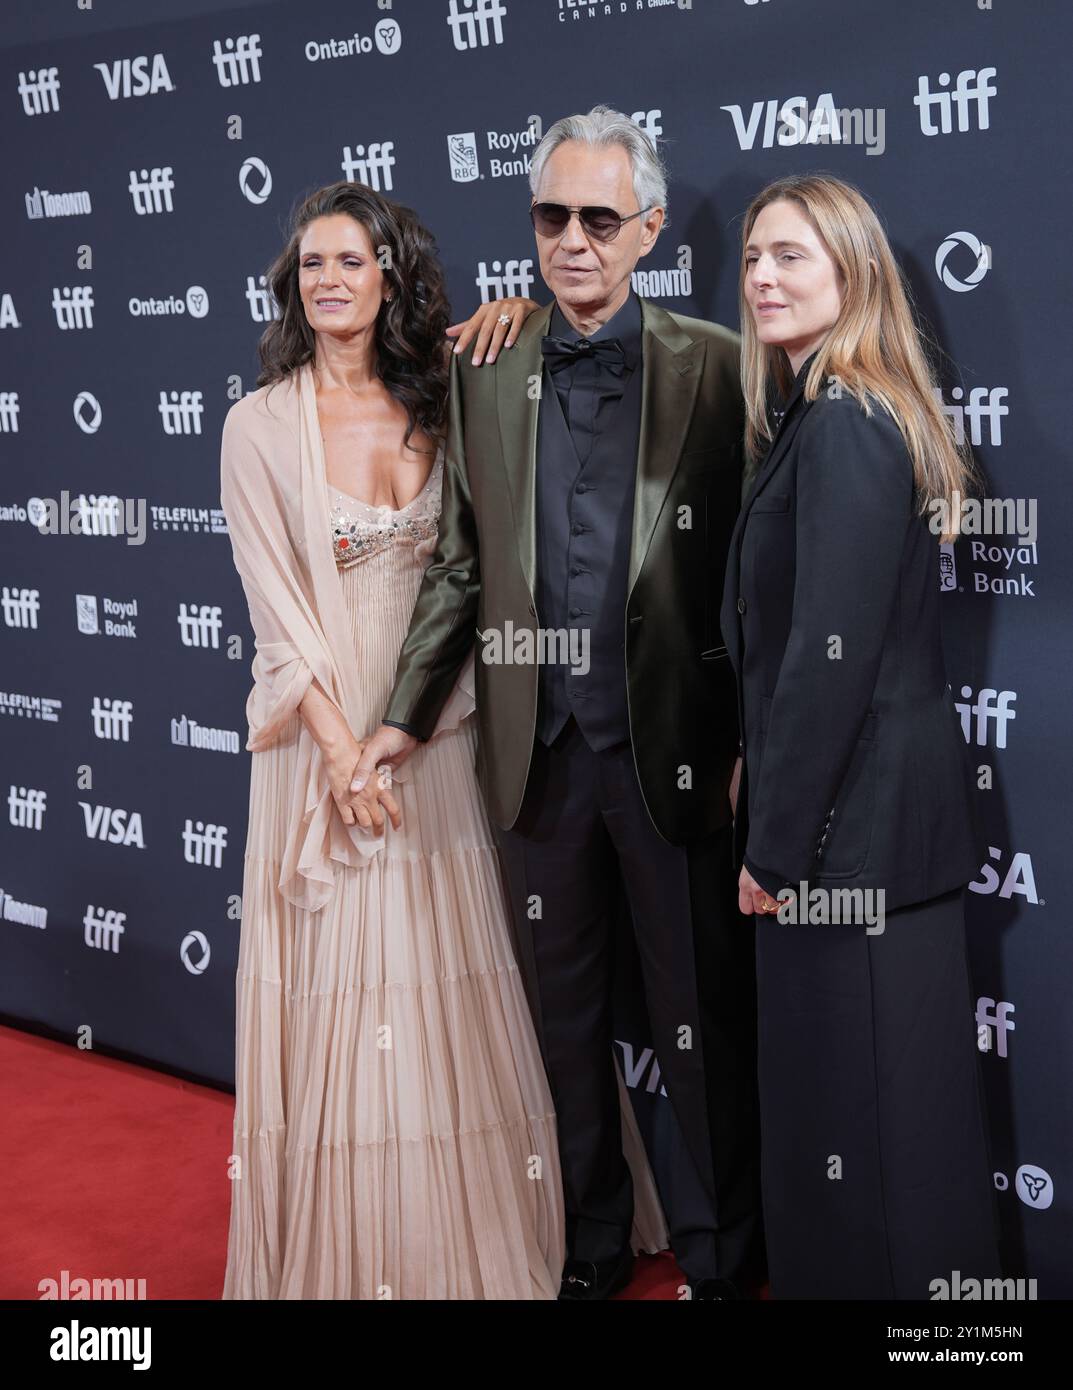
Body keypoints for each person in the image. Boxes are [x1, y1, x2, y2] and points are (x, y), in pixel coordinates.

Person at [217, 179, 666, 1299]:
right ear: (292, 285)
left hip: (438, 728)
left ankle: (496, 1228)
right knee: (347, 994)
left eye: (351, 261)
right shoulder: (255, 426)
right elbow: (273, 609)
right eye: (310, 264)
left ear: (389, 277)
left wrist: (397, 737)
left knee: (465, 983)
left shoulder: (449, 389)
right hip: (322, 745)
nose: (328, 280)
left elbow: (468, 572)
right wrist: (341, 751)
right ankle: (359, 1255)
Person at [353, 107, 764, 1301]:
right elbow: (458, 563)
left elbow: (752, 578)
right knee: (565, 1029)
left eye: (598, 217)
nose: (571, 240)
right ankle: (588, 1251)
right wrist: (398, 714)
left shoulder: (719, 363)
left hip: (671, 757)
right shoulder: (484, 364)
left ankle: (720, 1258)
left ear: (644, 229)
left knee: (697, 1025)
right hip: (534, 761)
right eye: (550, 216)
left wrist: (741, 740)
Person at [720, 173, 1002, 1299]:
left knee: (863, 1144)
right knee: (889, 1141)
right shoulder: (832, 416)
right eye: (750, 257)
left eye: (790, 255)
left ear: (851, 271)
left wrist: (771, 846)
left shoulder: (841, 425)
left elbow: (825, 666)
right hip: (868, 836)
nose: (760, 277)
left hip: (845, 852)